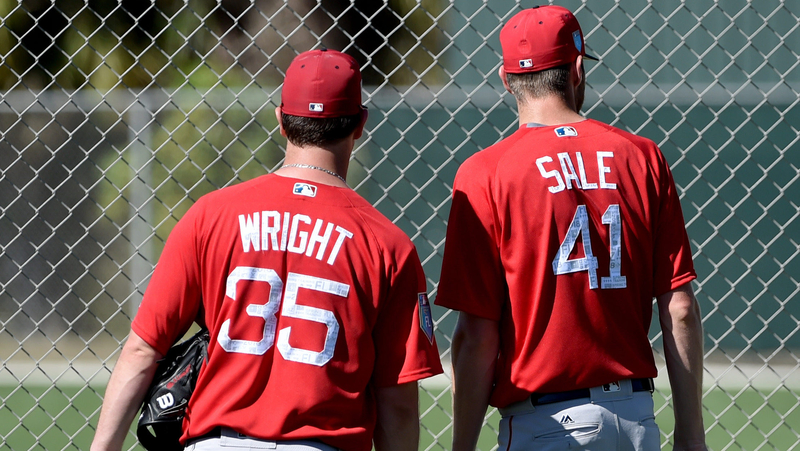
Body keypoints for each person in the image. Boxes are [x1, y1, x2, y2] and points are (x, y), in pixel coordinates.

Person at [91, 48, 443, 451]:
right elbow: (397, 404)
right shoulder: (387, 244)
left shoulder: (212, 215)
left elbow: (142, 348)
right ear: (360, 122)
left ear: (280, 119)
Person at [435, 5, 706, 451]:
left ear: (506, 79)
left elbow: (477, 335)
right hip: (636, 419)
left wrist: (462, 444)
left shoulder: (485, 172)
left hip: (545, 422)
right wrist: (691, 436)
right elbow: (679, 309)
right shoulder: (642, 156)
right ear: (577, 69)